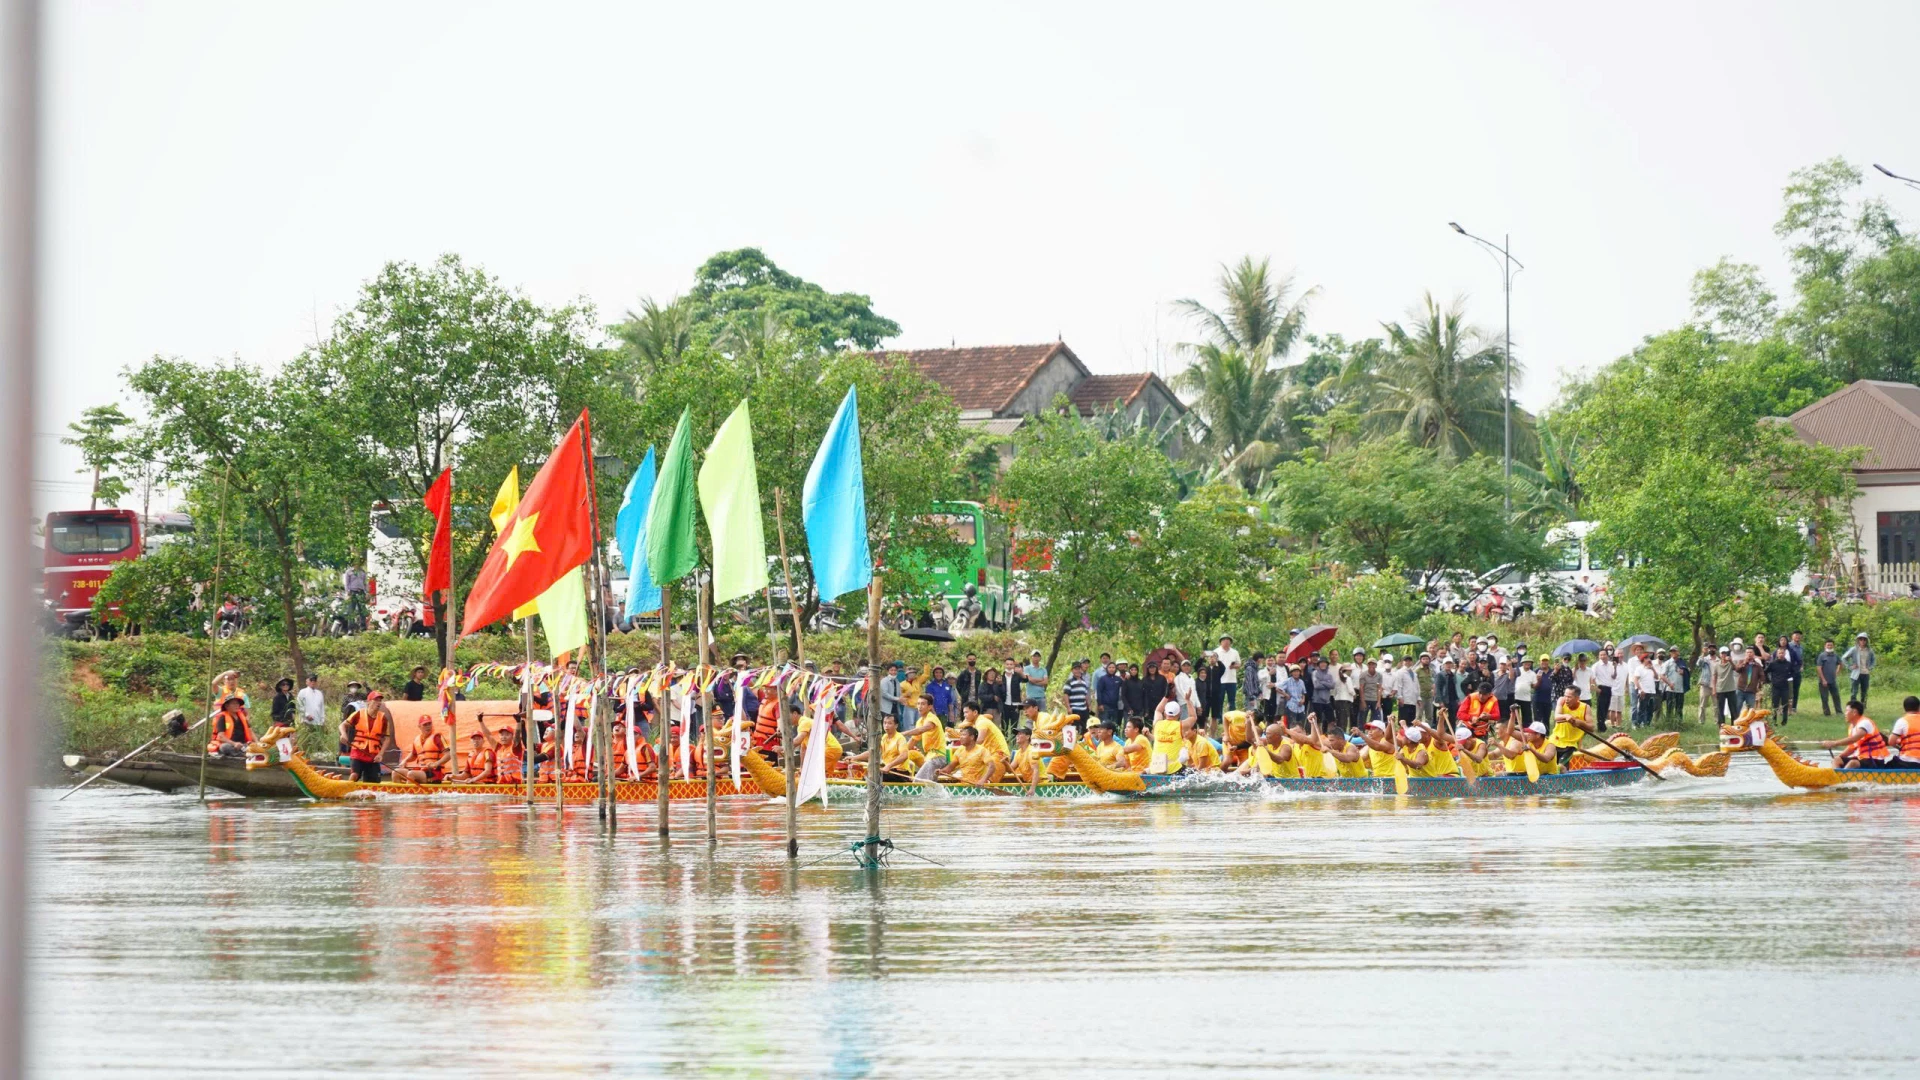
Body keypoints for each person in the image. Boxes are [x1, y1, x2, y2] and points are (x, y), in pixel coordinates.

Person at [341, 691, 393, 782]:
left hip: (373, 754)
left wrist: (380, 754)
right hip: (358, 751)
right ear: (368, 702)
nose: (379, 702)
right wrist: (343, 734)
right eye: (376, 700)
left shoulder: (383, 718)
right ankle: (346, 790)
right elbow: (342, 725)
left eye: (380, 700)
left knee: (374, 782)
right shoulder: (358, 714)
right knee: (354, 775)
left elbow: (387, 738)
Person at [1825, 700, 1891, 768]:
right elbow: (1851, 747)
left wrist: (1834, 743)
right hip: (1861, 758)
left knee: (1853, 763)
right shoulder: (1852, 727)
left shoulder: (1865, 722)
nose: (1845, 713)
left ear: (1854, 712)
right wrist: (1839, 757)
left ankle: (1844, 777)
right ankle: (1836, 777)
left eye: (1847, 711)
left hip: (1875, 760)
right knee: (1836, 760)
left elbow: (1854, 739)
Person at [1547, 685, 1596, 767]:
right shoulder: (1561, 701)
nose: (1566, 699)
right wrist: (1566, 716)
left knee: (1561, 767)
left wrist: (1580, 722)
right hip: (1555, 740)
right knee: (1550, 765)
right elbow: (1556, 717)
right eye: (1565, 696)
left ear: (1577, 698)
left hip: (1571, 744)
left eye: (1569, 697)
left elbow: (1591, 728)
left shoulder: (1585, 708)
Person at [394, 715, 450, 783]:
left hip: (435, 773)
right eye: (425, 724)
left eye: (429, 724)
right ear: (419, 726)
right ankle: (399, 793)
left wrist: (436, 763)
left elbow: (449, 755)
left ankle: (409, 793)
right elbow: (413, 755)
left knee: (411, 774)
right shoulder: (417, 739)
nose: (428, 726)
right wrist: (405, 760)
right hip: (421, 770)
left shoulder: (438, 737)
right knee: (396, 772)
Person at [1842, 633, 1875, 706]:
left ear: (1867, 641)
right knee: (1854, 691)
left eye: (1864, 639)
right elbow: (1844, 658)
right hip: (1856, 673)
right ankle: (1853, 706)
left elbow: (1873, 660)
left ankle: (1863, 705)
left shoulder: (1869, 650)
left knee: (1864, 691)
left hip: (1865, 673)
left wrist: (1870, 667)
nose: (1862, 641)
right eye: (1861, 639)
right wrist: (1850, 666)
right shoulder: (1854, 649)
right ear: (1858, 640)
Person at [1888, 696, 1920, 768]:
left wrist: (1899, 748)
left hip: (1908, 761)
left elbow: (1891, 742)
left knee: (1888, 765)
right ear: (1919, 707)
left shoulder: (1902, 721)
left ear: (1904, 708)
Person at [1815, 639, 1842, 717]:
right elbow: (1819, 668)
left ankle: (1839, 712)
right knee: (1825, 698)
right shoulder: (1822, 656)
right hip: (1823, 681)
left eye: (1831, 645)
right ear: (1825, 646)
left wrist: (1837, 672)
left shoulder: (1836, 655)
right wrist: (1823, 679)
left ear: (1833, 646)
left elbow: (1840, 664)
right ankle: (1827, 713)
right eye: (1828, 645)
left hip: (1833, 680)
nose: (1829, 646)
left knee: (1836, 696)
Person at [1216, 635, 1242, 711]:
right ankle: (1219, 719)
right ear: (1220, 642)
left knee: (1232, 701)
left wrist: (1234, 666)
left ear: (1230, 642)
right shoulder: (1216, 651)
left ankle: (1232, 718)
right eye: (1224, 640)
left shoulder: (1235, 652)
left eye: (1228, 640)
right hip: (1220, 680)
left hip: (1232, 680)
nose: (1226, 641)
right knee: (1219, 700)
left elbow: (1239, 664)